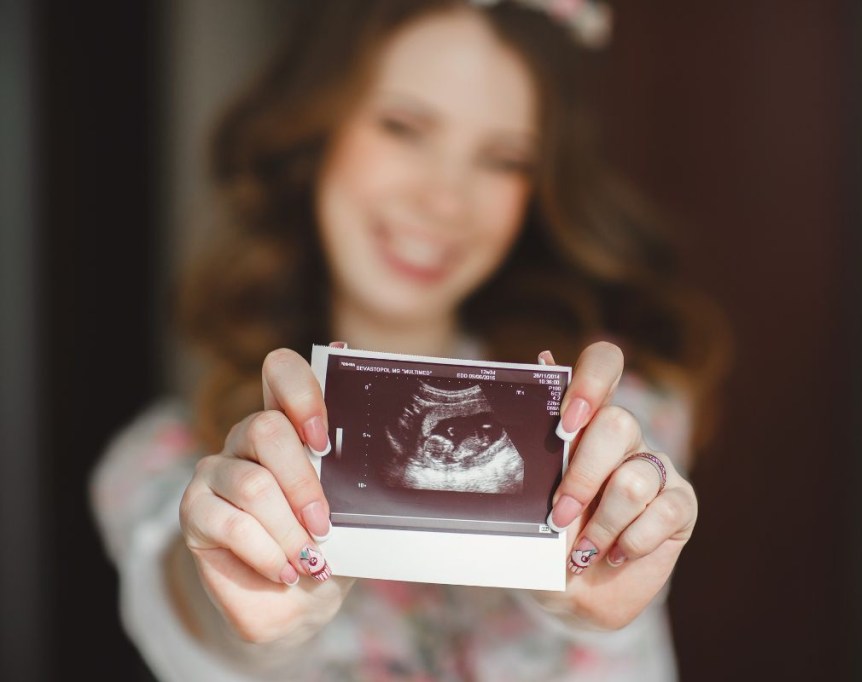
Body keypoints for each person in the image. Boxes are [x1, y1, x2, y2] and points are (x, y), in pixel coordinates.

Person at [90, 1, 730, 679]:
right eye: (403, 127)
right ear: (316, 128)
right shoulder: (166, 465)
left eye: (504, 159)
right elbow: (197, 609)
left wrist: (597, 552)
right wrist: (253, 598)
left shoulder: (608, 412)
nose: (444, 200)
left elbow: (616, 548)